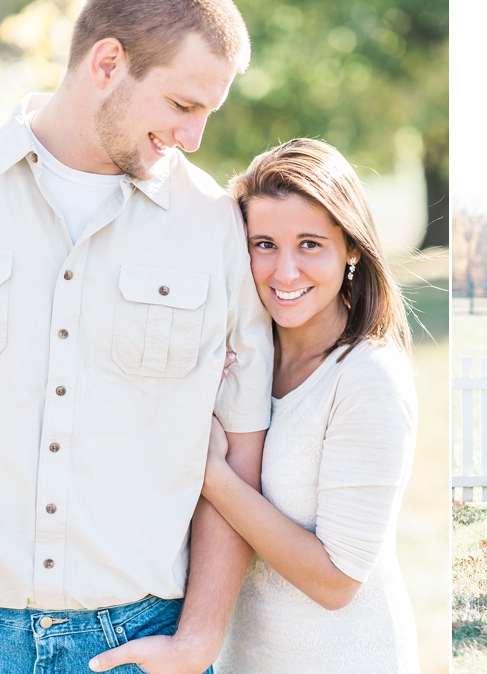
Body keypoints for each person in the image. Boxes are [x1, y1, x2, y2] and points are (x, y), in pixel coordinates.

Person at [0, 1, 274, 672]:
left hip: (136, 644)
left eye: (209, 112)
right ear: (108, 62)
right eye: (183, 105)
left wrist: (200, 638)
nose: (194, 136)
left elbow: (241, 454)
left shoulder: (215, 228)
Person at [202, 138, 419, 673]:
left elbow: (337, 580)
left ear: (351, 249)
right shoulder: (240, 359)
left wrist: (209, 473)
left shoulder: (368, 378)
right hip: (244, 658)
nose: (285, 271)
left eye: (310, 244)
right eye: (265, 244)